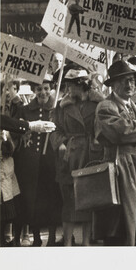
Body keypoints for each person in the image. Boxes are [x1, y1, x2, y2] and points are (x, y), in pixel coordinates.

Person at [94, 60, 136, 246]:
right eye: (123, 81)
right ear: (112, 85)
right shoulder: (106, 106)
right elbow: (122, 133)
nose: (129, 85)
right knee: (122, 219)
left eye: (131, 80)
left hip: (135, 164)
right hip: (120, 166)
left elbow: (134, 135)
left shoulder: (130, 105)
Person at [53, 69, 104, 246]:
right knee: (69, 201)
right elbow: (55, 129)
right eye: (66, 84)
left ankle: (87, 242)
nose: (67, 89)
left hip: (91, 155)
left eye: (70, 85)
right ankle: (68, 242)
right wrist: (60, 142)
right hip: (69, 156)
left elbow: (103, 126)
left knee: (88, 200)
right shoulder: (62, 105)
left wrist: (98, 139)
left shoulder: (99, 103)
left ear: (81, 84)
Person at [13, 79, 62, 246]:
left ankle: (53, 237)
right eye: (39, 89)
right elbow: (17, 129)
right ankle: (36, 236)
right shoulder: (25, 110)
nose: (43, 92)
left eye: (46, 89)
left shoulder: (56, 109)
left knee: (51, 198)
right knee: (31, 199)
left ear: (51, 89)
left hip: (50, 162)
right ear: (34, 90)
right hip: (29, 163)